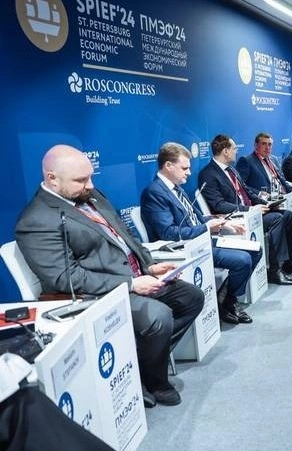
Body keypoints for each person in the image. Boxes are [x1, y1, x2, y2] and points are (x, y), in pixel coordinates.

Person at [15, 145, 204, 407]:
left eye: (90, 177)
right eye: (81, 180)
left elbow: (125, 235)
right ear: (52, 179)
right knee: (158, 317)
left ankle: (140, 365)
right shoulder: (37, 220)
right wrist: (131, 283)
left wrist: (149, 265)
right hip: (101, 294)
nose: (90, 185)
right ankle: (156, 381)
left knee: (192, 297)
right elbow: (65, 278)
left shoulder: (91, 195)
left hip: (137, 277)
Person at [141, 142, 259, 325]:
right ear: (168, 166)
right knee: (242, 260)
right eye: (185, 168)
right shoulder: (154, 192)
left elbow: (196, 218)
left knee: (256, 249)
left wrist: (223, 223)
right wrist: (207, 228)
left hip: (202, 240)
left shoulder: (176, 188)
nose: (189, 172)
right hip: (186, 249)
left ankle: (226, 300)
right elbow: (169, 233)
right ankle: (227, 303)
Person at [199, 134, 292, 286]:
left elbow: (248, 192)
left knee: (288, 215)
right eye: (234, 148)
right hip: (236, 217)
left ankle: (289, 262)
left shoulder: (231, 170)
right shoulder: (208, 174)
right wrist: (250, 209)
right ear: (225, 151)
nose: (236, 151)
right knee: (278, 219)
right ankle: (275, 271)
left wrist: (267, 203)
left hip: (250, 212)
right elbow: (219, 205)